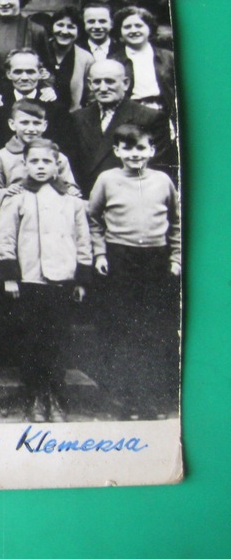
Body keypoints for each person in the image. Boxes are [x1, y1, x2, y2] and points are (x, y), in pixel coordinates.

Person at [87, 123, 181, 419]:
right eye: (127, 148)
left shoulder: (163, 181)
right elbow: (92, 219)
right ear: (117, 151)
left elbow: (177, 222)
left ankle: (151, 398)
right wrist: (100, 253)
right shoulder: (107, 180)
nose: (134, 154)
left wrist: (176, 258)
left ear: (152, 150)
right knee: (123, 326)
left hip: (156, 260)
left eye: (141, 148)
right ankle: (125, 399)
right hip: (120, 258)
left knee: (153, 328)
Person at [0, 138, 92, 423]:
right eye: (34, 161)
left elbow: (83, 240)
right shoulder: (16, 198)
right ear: (24, 164)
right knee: (32, 340)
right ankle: (36, 396)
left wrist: (81, 279)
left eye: (46, 161)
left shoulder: (72, 201)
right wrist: (10, 276)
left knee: (58, 340)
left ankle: (55, 396)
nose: (40, 166)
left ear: (57, 165)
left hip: (62, 280)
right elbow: (5, 238)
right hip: (30, 279)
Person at [70, 60, 170, 190]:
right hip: (86, 196)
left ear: (126, 83)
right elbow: (72, 163)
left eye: (110, 81)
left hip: (130, 194)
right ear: (89, 84)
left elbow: (157, 168)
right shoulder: (77, 118)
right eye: (97, 82)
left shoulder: (150, 118)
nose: (103, 88)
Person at [0, 99, 80, 213]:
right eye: (24, 123)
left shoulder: (58, 157)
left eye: (36, 123)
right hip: (16, 215)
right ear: (12, 124)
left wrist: (71, 191)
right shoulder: (1, 157)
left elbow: (69, 186)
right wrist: (6, 193)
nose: (31, 129)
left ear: (44, 125)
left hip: (52, 214)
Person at [0, 49, 67, 166]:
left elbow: (64, 150)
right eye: (18, 72)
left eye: (30, 72)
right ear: (9, 74)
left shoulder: (55, 107)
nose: (24, 77)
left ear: (40, 73)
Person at [110, 5, 177, 119]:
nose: (133, 30)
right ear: (120, 31)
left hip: (164, 112)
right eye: (127, 27)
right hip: (130, 115)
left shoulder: (168, 57)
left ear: (149, 28)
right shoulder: (114, 61)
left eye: (139, 26)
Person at [45, 6, 95, 111]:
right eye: (60, 25)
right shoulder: (40, 51)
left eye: (71, 27)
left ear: (79, 32)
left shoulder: (85, 58)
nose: (64, 31)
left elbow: (90, 95)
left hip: (72, 116)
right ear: (51, 27)